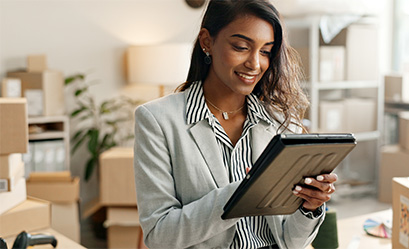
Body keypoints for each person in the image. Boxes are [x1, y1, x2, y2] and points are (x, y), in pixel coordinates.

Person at [133, 0, 338, 248]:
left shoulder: (281, 121)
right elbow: (160, 236)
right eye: (241, 47)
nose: (255, 63)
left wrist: (309, 207)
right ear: (207, 41)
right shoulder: (157, 120)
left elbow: (292, 242)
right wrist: (242, 194)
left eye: (265, 51)